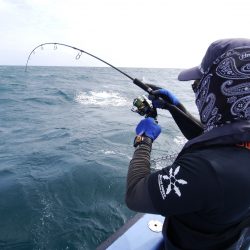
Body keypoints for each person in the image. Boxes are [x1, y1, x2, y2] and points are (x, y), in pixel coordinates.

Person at [126, 38, 250, 250]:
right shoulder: (240, 144)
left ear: (221, 86)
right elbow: (215, 139)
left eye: (200, 84)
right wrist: (175, 107)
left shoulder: (208, 171)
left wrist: (144, 140)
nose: (197, 90)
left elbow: (135, 194)